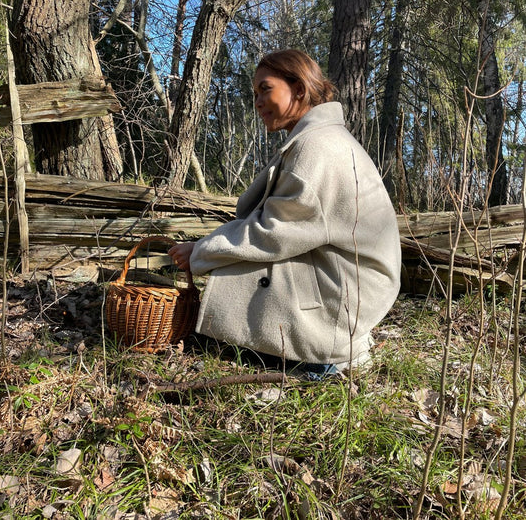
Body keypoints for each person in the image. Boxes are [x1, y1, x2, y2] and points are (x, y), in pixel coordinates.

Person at [169, 49, 401, 375]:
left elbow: (274, 232)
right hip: (347, 282)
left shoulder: (317, 147)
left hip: (345, 296)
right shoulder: (317, 138)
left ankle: (324, 355)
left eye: (265, 89)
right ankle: (318, 350)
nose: (257, 102)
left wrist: (202, 250)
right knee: (238, 262)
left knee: (240, 264)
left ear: (299, 89)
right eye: (254, 94)